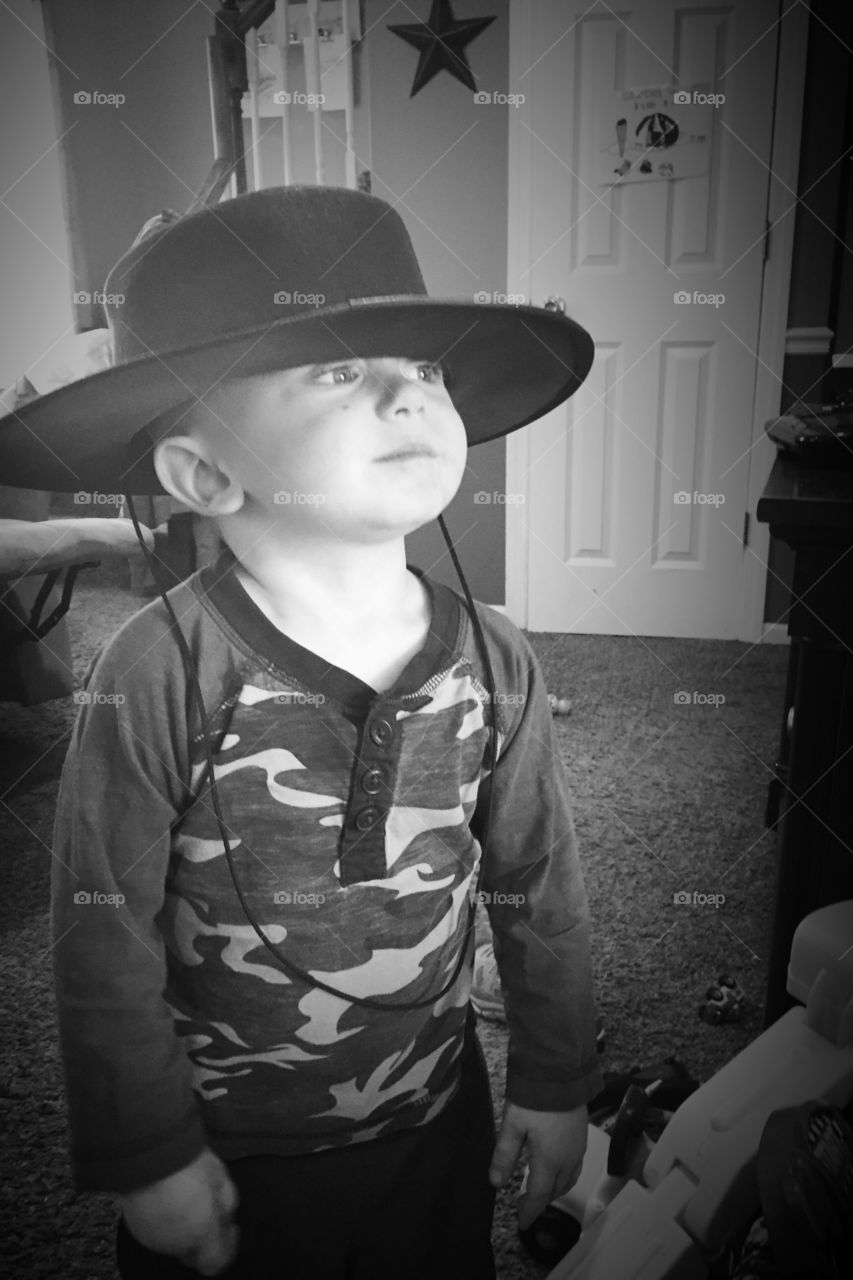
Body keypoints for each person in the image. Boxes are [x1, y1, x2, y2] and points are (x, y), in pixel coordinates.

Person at [0, 185, 602, 1279]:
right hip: (231, 1152)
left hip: (434, 1114)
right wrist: (147, 1152)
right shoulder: (153, 669)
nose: (407, 394)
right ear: (203, 473)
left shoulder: (497, 657)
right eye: (339, 370)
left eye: (425, 369)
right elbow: (100, 926)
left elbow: (540, 884)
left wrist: (556, 1081)